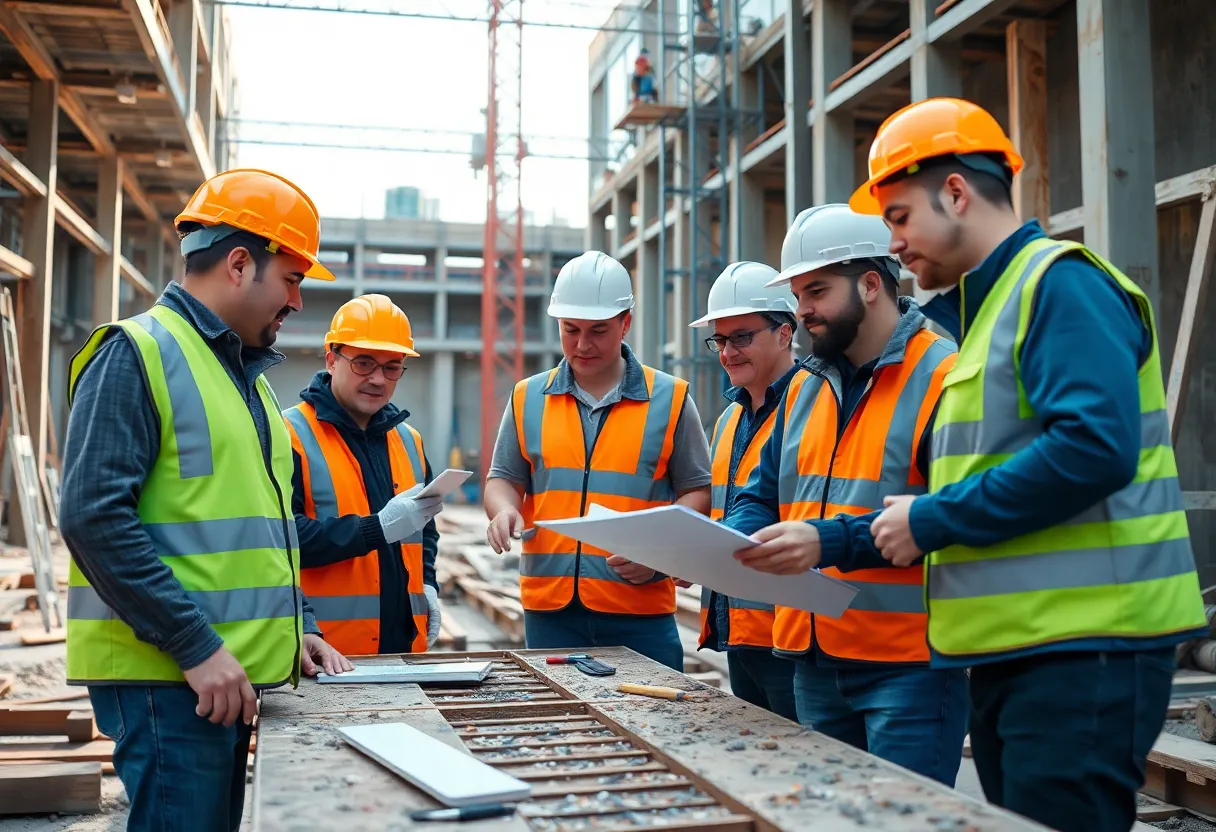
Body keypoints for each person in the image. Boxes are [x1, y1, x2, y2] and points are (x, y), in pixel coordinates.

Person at [853, 97, 1208, 832]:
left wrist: (932, 519)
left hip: (1086, 650)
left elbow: (1093, 448)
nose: (894, 242)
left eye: (898, 215)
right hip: (1028, 651)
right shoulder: (990, 312)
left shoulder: (1059, 284)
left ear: (955, 192)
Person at [59, 168, 354, 832]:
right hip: (172, 682)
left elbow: (263, 531)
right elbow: (92, 517)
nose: (297, 302)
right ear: (240, 263)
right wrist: (195, 646)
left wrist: (295, 626)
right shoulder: (137, 353)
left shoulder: (245, 381)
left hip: (216, 680)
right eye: (293, 279)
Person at [726, 204, 967, 787]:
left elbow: (955, 519)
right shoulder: (805, 386)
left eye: (815, 291)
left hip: (907, 668)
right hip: (810, 660)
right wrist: (720, 542)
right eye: (798, 294)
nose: (801, 309)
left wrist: (824, 541)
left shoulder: (945, 376)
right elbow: (759, 495)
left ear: (870, 284)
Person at [482, 250, 712, 671]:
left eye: (598, 331)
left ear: (625, 323)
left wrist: (660, 555)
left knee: (655, 725)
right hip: (550, 610)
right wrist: (503, 511)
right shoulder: (526, 397)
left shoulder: (671, 399)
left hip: (639, 607)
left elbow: (697, 491)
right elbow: (502, 479)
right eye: (570, 330)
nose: (583, 344)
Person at [283, 294, 446, 657]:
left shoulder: (409, 441)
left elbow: (426, 530)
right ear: (331, 359)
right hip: (325, 653)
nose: (377, 379)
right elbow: (279, 539)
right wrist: (377, 529)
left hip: (404, 651)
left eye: (392, 366)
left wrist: (429, 585)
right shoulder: (289, 434)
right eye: (363, 363)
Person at [687, 261, 803, 721]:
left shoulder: (811, 407)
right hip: (738, 630)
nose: (728, 352)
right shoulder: (729, 420)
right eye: (720, 340)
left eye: (742, 337)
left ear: (784, 333)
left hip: (792, 635)